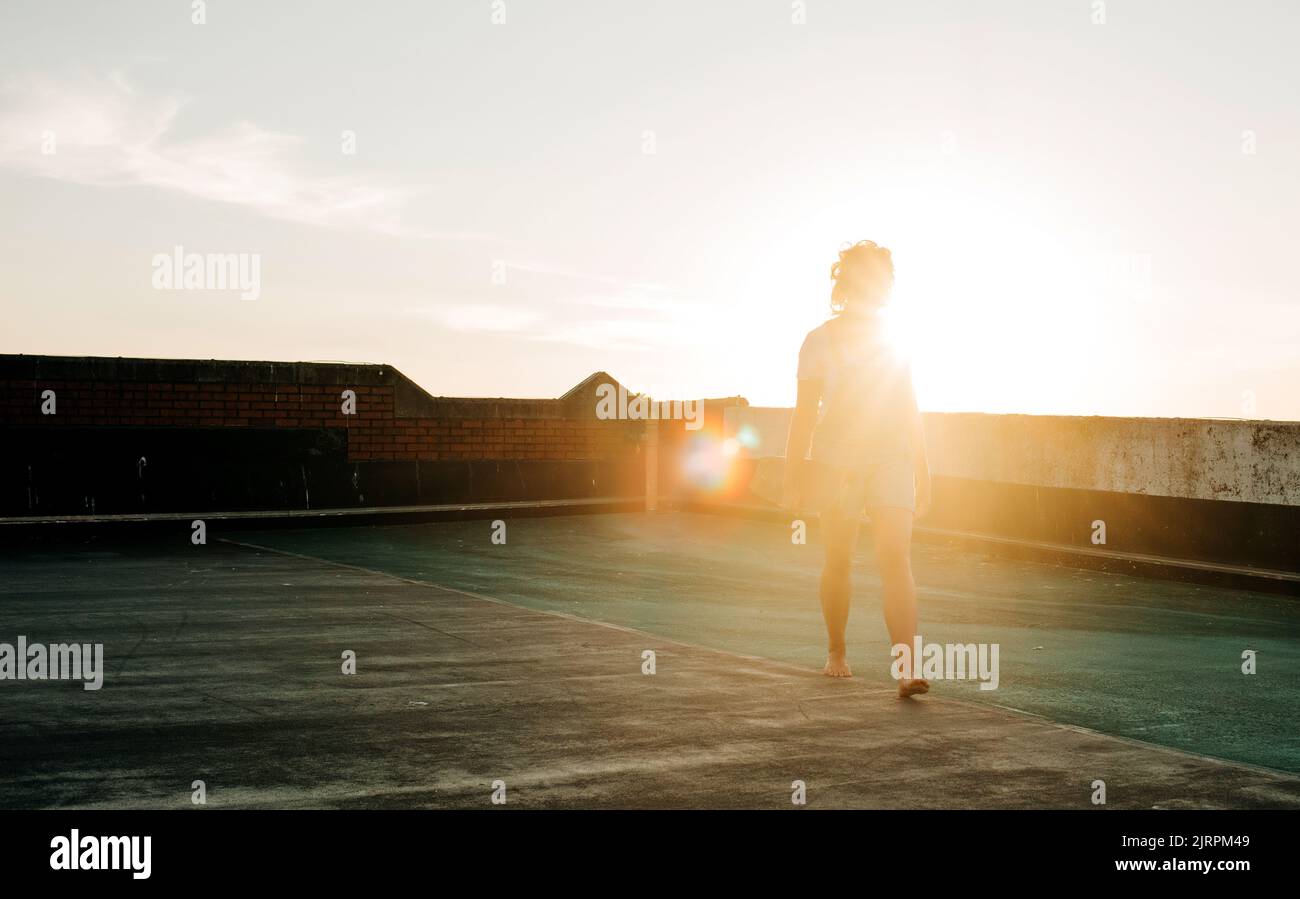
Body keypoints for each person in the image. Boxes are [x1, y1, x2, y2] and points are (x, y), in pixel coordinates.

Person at [781, 240, 932, 698]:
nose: (876, 286)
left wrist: (924, 468)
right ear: (846, 283)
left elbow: (908, 405)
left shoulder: (895, 339)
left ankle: (907, 668)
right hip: (835, 460)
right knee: (839, 557)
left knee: (895, 556)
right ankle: (836, 650)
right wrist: (792, 476)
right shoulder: (818, 341)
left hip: (891, 456)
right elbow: (803, 415)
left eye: (883, 279)